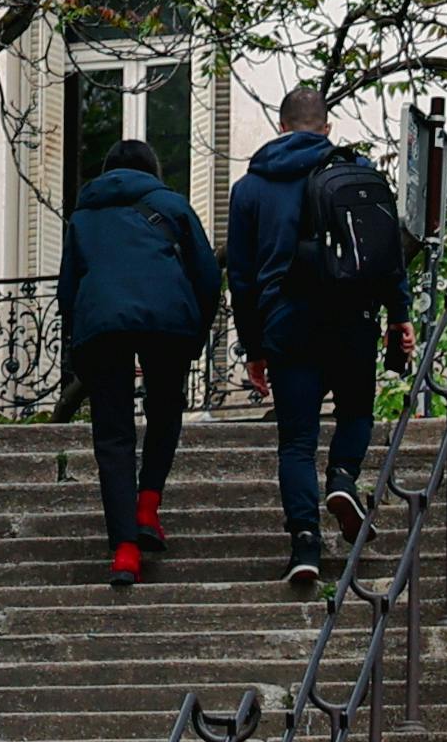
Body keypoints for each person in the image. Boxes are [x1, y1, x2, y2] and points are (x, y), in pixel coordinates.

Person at [225, 92, 414, 596]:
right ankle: (343, 478)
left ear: (281, 126)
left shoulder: (249, 188)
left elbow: (240, 277)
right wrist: (399, 314)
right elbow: (385, 249)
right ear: (326, 128)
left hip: (287, 322)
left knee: (296, 440)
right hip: (352, 316)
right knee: (356, 412)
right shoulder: (358, 171)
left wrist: (254, 348)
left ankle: (305, 545)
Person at [55, 145, 220, 587]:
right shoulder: (173, 205)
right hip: (167, 317)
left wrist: (78, 345)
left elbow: (68, 289)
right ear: (153, 170)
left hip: (102, 324)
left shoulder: (84, 216)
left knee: (113, 436)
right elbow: (207, 275)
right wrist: (196, 333)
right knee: (165, 409)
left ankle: (125, 550)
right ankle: (147, 506)